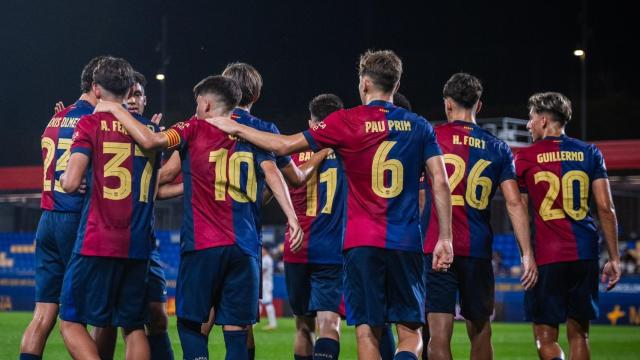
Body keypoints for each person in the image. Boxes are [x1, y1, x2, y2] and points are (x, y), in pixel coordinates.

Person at [207, 49, 453, 360]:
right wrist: (445, 237)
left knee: (367, 330)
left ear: (364, 84)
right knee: (410, 333)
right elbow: (440, 182)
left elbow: (283, 145)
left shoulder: (346, 121)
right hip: (406, 242)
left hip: (360, 243)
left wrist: (237, 127)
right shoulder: (420, 126)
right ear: (396, 84)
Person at [93, 74, 303, 360]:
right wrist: (291, 217)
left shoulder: (192, 127)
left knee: (191, 324)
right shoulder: (255, 133)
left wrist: (116, 109)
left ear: (204, 104)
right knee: (237, 330)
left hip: (202, 245)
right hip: (245, 247)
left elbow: (154, 141)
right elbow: (274, 174)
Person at [422, 73, 538, 360]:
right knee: (481, 330)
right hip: (477, 250)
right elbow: (514, 203)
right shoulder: (498, 148)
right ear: (479, 106)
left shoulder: (431, 137)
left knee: (437, 335)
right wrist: (526, 254)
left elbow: (420, 193)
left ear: (447, 104)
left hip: (437, 247)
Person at [58, 56, 160, 360]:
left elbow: (70, 181)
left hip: (97, 240)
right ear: (131, 89)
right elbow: (153, 192)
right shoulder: (153, 130)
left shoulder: (90, 123)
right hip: (139, 243)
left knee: (71, 322)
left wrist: (66, 177)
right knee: (133, 327)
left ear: (95, 89)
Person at [515, 92, 621, 360]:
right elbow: (606, 209)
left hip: (548, 255)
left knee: (545, 338)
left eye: (530, 119)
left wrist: (526, 254)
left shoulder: (526, 157)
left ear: (542, 120)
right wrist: (615, 258)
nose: (528, 125)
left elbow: (519, 208)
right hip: (585, 253)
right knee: (580, 334)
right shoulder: (590, 152)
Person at [19, 55, 104, 360]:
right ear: (96, 87)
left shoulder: (55, 118)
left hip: (47, 219)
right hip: (74, 217)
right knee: (78, 317)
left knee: (42, 315)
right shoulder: (93, 120)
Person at [90, 71, 174, 360]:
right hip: (108, 239)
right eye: (129, 94)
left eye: (138, 94)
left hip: (143, 242)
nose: (134, 99)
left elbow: (153, 189)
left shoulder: (149, 133)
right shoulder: (104, 130)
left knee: (157, 315)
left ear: (146, 99)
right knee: (109, 321)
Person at [284, 93, 345, 360]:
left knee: (303, 327)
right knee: (329, 324)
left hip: (296, 248)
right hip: (332, 249)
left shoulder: (292, 151)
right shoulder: (348, 154)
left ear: (312, 122)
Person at [261, 246, 277, 330]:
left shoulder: (266, 259)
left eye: (262, 249)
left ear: (265, 250)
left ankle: (272, 323)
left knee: (268, 303)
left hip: (266, 283)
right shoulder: (266, 258)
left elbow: (261, 271)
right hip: (264, 283)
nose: (261, 251)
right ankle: (254, 322)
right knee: (259, 303)